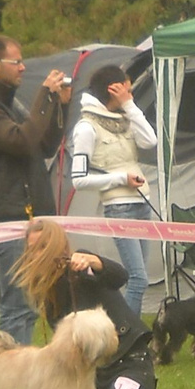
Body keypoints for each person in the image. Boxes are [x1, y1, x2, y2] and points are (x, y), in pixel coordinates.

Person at [0, 34, 71, 344]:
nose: (23, 67)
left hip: (36, 218)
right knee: (19, 307)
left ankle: (41, 377)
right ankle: (11, 381)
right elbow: (21, 142)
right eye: (17, 62)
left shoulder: (11, 106)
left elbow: (44, 144)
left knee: (46, 301)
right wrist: (44, 96)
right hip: (10, 220)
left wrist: (61, 105)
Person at [14, 218, 161, 389]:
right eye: (32, 249)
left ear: (58, 245)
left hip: (131, 365)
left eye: (43, 247)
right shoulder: (49, 292)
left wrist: (94, 261)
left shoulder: (81, 267)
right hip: (93, 375)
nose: (37, 255)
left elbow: (119, 276)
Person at [70, 64, 157, 315]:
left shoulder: (123, 118)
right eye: (126, 92)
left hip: (142, 203)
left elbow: (150, 141)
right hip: (119, 207)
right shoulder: (86, 127)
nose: (129, 96)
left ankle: (129, 334)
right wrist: (120, 179)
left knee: (141, 278)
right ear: (113, 90)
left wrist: (130, 106)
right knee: (138, 279)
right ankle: (128, 336)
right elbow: (79, 179)